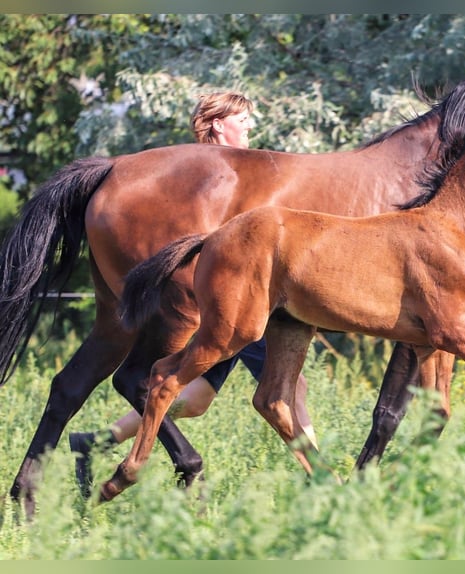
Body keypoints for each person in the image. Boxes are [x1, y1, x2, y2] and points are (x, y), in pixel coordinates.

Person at [69, 92, 312, 496]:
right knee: (292, 388)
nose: (250, 127)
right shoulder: (210, 179)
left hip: (234, 299)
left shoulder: (241, 177)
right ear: (218, 125)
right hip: (234, 301)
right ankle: (320, 480)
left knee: (196, 400)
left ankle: (95, 441)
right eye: (243, 120)